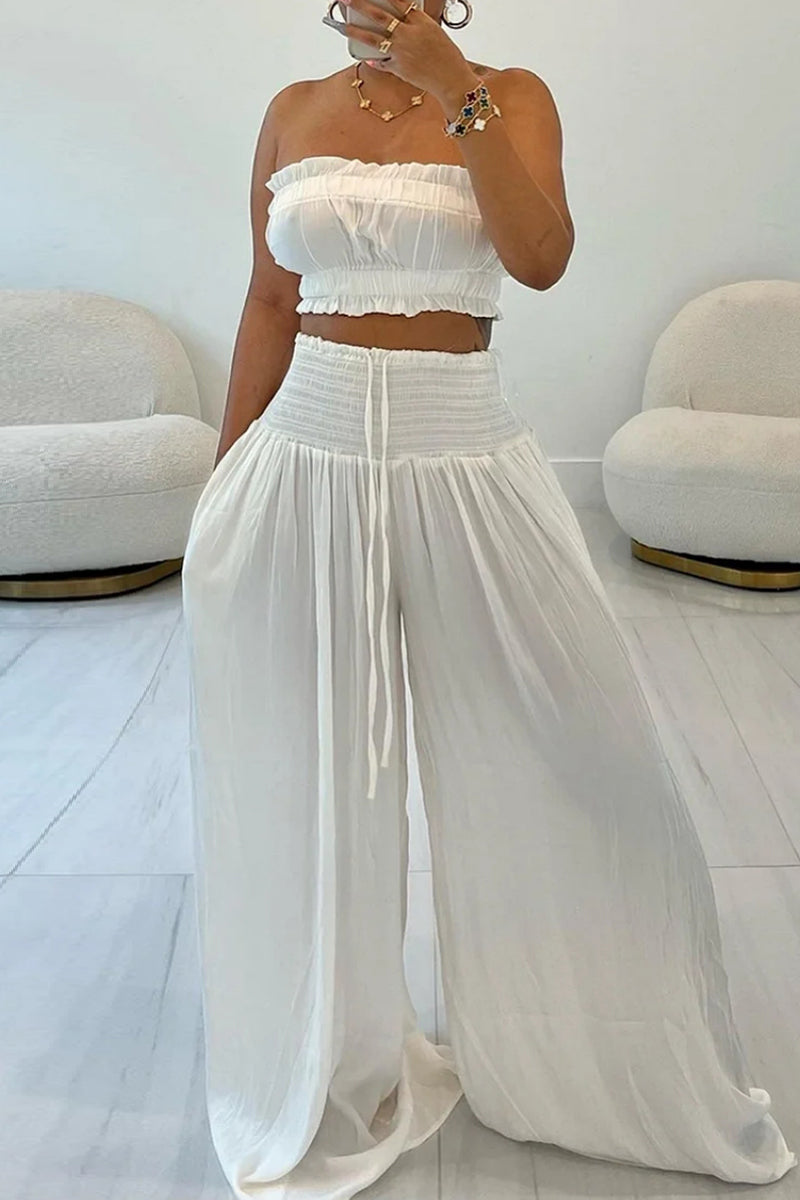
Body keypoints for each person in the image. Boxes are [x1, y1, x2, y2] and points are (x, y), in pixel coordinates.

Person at [180, 1, 798, 1197]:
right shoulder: (290, 112)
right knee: (314, 780)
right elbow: (266, 300)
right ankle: (334, 1067)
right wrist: (225, 482)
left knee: (575, 753)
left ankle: (577, 1054)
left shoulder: (508, 94)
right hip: (304, 454)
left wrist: (453, 85)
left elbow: (539, 256)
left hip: (464, 450)